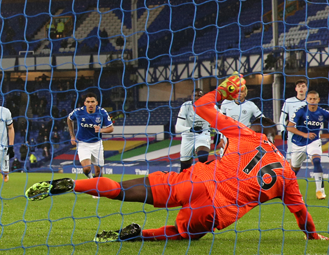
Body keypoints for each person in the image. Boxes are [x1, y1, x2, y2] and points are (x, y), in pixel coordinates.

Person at [26, 73, 328, 242]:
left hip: (196, 180)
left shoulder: (250, 136)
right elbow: (302, 215)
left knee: (125, 190)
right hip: (216, 208)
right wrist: (312, 236)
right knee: (187, 235)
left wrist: (221, 92)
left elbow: (202, 108)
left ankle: (74, 184)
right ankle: (138, 235)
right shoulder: (288, 177)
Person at [286, 90, 329, 199]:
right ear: (307, 100)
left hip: (313, 141)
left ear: (318, 100)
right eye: (310, 99)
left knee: (316, 160)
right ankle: (288, 189)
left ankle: (320, 191)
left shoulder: (323, 112)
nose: (312, 101)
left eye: (315, 99)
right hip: (298, 143)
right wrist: (304, 134)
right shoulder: (301, 111)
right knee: (294, 170)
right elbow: (290, 127)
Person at [67, 92, 114, 184]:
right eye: (88, 102)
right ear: (85, 103)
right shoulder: (78, 112)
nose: (90, 104)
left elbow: (111, 128)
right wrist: (72, 136)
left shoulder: (102, 112)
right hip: (82, 143)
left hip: (97, 144)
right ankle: (91, 181)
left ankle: (97, 190)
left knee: (98, 172)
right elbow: (69, 119)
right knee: (86, 168)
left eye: (92, 101)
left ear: (96, 102)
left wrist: (101, 130)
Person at [175, 88, 215, 171]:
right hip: (188, 135)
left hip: (203, 133)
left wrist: (219, 134)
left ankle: (202, 175)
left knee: (202, 157)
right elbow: (177, 128)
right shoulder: (186, 106)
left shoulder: (211, 106)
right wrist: (191, 129)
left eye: (199, 95)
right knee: (184, 167)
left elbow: (221, 120)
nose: (197, 97)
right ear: (191, 96)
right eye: (195, 95)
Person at [280, 80, 307, 162]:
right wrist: (282, 130)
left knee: (311, 157)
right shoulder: (289, 101)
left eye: (303, 86)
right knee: (290, 158)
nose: (301, 88)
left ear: (306, 88)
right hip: (293, 133)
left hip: (307, 133)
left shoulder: (310, 102)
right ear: (296, 89)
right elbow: (282, 117)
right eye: (299, 86)